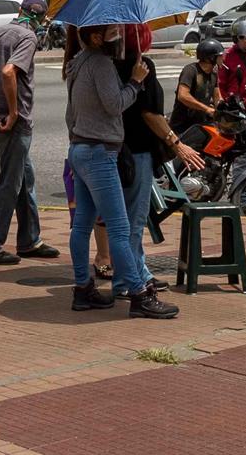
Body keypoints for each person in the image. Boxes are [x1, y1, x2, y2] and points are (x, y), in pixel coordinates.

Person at [65, 23, 175, 318]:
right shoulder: (100, 63)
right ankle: (139, 293)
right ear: (96, 36)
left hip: (81, 148)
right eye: (111, 32)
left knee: (83, 225)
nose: (116, 37)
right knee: (120, 227)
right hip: (99, 151)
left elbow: (71, 113)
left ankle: (82, 288)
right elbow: (115, 105)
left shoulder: (76, 62)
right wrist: (136, 83)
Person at [0, 0, 58, 266]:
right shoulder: (28, 37)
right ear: (40, 17)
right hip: (14, 123)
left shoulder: (2, 32)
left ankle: (29, 239)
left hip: (0, 119)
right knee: (10, 184)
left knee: (26, 179)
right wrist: (11, 111)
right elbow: (10, 72)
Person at [119, 25, 204, 289]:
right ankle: (131, 280)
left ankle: (135, 272)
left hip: (117, 148)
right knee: (134, 219)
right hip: (138, 150)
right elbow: (149, 113)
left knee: (124, 219)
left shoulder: (109, 62)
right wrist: (177, 144)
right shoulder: (142, 66)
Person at [170, 35, 223, 135]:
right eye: (219, 56)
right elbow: (183, 96)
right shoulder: (191, 70)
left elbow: (217, 97)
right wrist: (207, 109)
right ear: (210, 58)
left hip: (201, 125)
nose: (222, 58)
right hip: (183, 127)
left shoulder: (213, 74)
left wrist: (226, 109)